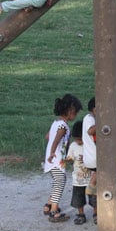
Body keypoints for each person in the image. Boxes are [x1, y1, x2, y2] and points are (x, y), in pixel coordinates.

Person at [43, 94, 82, 223]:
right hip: (55, 159)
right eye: (75, 113)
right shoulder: (63, 127)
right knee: (60, 181)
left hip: (52, 159)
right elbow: (55, 139)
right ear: (70, 111)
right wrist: (53, 152)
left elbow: (48, 136)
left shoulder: (56, 123)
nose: (75, 116)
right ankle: (54, 211)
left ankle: (48, 205)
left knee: (57, 181)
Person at [65, 120, 93, 225]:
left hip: (90, 178)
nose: (78, 141)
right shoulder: (73, 146)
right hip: (77, 179)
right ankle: (81, 214)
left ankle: (96, 214)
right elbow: (70, 157)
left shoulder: (90, 145)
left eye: (80, 139)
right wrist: (65, 160)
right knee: (78, 199)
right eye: (76, 139)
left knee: (94, 198)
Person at [81, 97, 98, 223]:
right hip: (94, 157)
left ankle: (96, 212)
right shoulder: (89, 118)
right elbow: (91, 130)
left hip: (93, 156)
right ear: (95, 109)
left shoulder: (91, 118)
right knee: (99, 176)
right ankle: (91, 186)